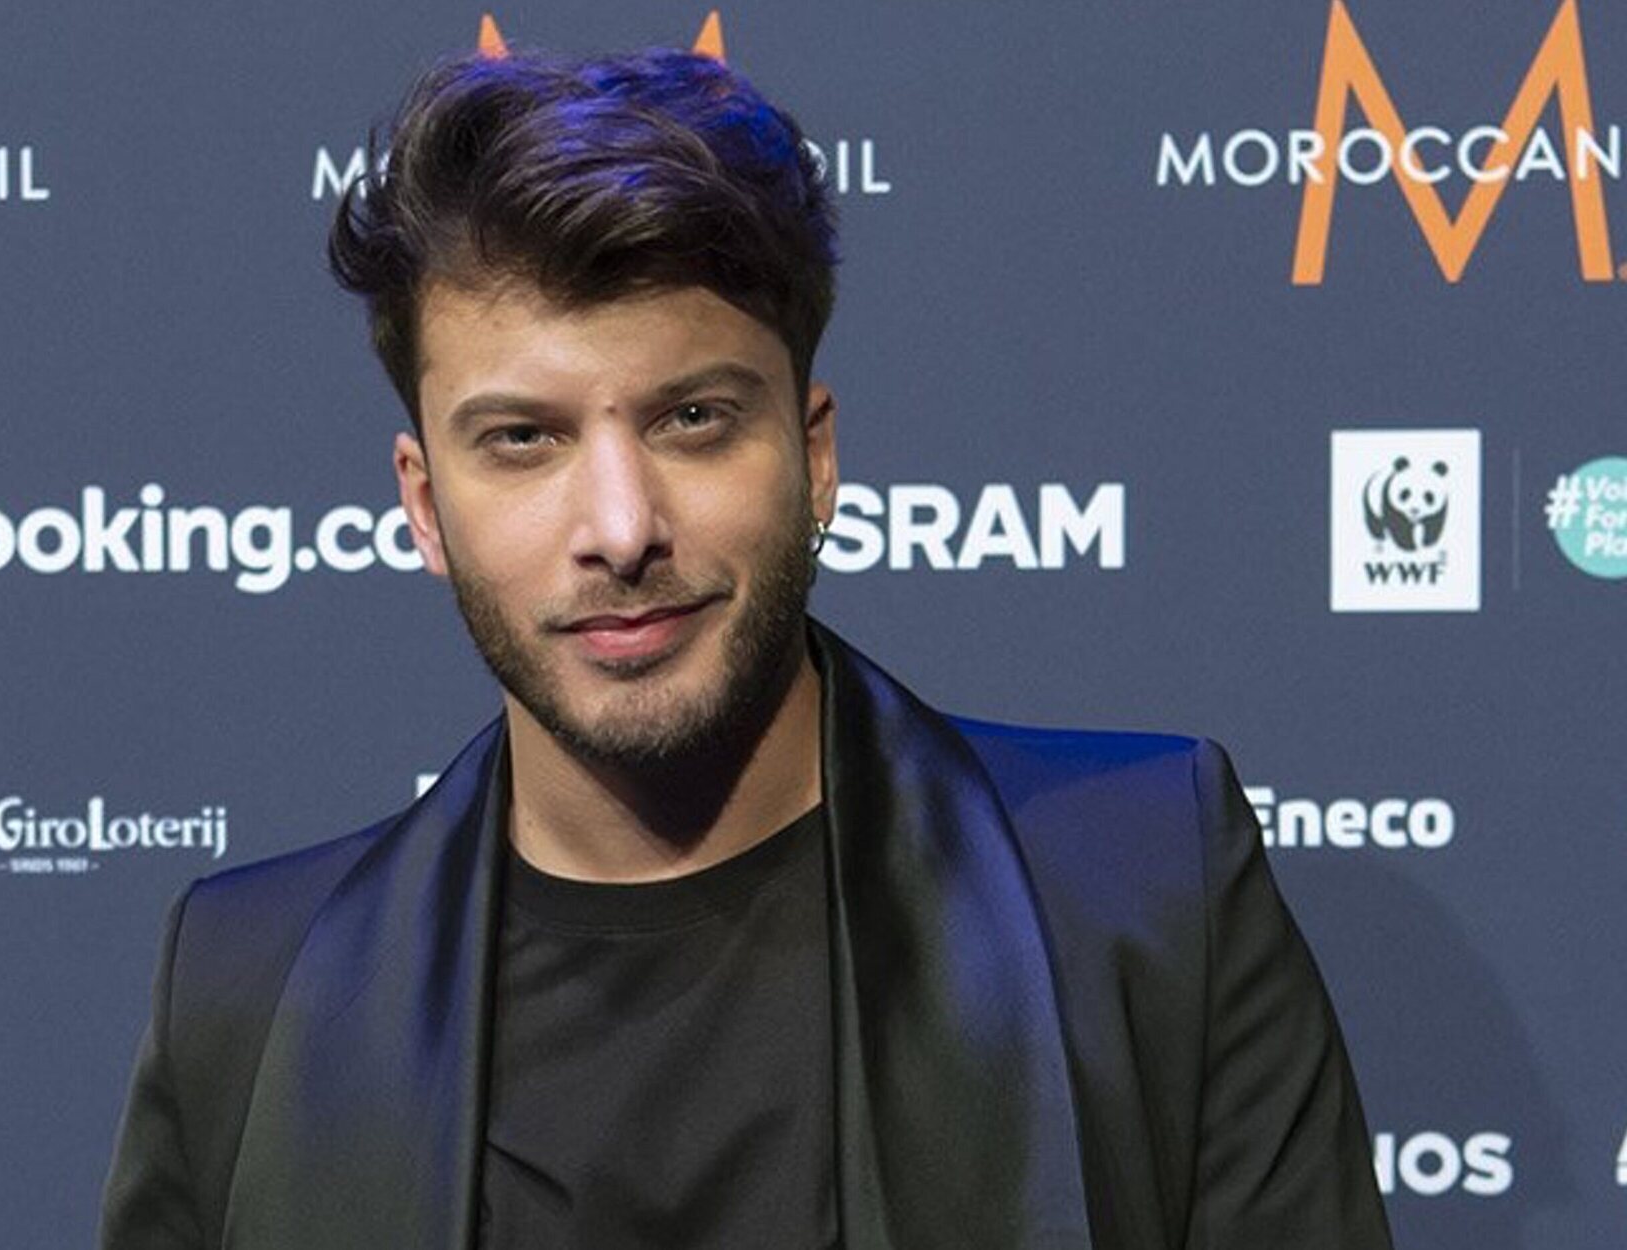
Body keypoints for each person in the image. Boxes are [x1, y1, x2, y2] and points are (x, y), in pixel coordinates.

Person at [99, 46, 1394, 1250]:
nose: (621, 529)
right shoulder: (251, 988)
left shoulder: (1146, 890)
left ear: (813, 456)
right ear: (426, 505)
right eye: (524, 441)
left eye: (695, 419)